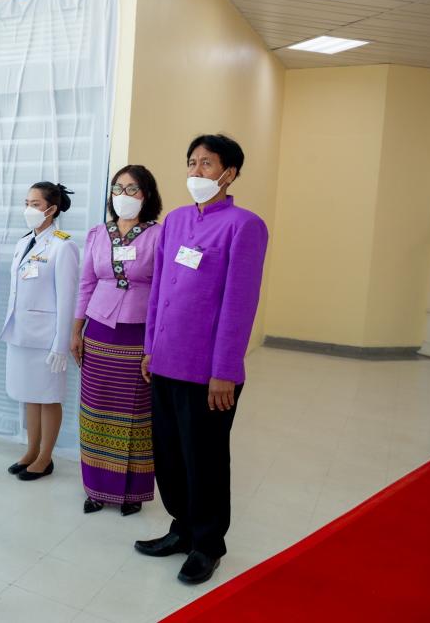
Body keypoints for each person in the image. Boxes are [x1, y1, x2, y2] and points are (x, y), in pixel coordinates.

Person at [135, 134, 269, 585]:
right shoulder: (174, 221)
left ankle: (208, 544)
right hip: (165, 361)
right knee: (170, 455)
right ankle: (182, 528)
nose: (196, 172)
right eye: (191, 162)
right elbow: (159, 290)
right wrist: (150, 347)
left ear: (229, 173)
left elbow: (239, 304)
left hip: (207, 370)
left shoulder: (244, 226)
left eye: (206, 164)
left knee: (204, 460)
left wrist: (225, 371)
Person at [71, 165, 163, 516]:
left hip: (138, 332)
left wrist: (154, 345)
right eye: (118, 188)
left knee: (135, 415)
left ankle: (131, 492)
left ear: (147, 194)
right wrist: (76, 330)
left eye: (132, 188)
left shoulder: (159, 235)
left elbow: (162, 290)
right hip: (98, 330)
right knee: (96, 411)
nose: (124, 195)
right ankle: (96, 488)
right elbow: (86, 283)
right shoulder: (98, 233)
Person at [0, 182, 79, 480]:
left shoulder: (63, 246)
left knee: (48, 396)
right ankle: (31, 450)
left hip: (46, 338)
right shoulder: (24, 242)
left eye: (35, 204)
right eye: (27, 203)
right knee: (28, 395)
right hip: (21, 332)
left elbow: (67, 299)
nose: (28, 209)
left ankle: (46, 457)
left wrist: (61, 344)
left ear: (52, 209)